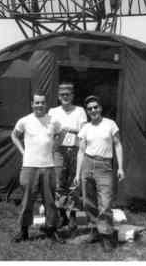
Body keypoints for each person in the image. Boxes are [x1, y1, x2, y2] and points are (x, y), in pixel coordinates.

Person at [11, 91, 64, 243]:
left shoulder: (53, 120)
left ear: (46, 104)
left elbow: (61, 134)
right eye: (37, 102)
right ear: (32, 104)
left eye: (42, 102)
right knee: (28, 200)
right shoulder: (24, 121)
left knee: (50, 201)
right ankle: (24, 231)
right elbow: (14, 135)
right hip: (29, 166)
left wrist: (54, 147)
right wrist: (22, 151)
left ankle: (51, 229)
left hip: (48, 166)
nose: (40, 105)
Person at [74, 95, 125, 252]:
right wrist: (77, 174)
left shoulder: (110, 124)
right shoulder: (86, 128)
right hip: (87, 164)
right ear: (88, 112)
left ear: (100, 108)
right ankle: (95, 232)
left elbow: (118, 145)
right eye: (90, 109)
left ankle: (107, 237)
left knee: (105, 203)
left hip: (104, 166)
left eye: (96, 107)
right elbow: (81, 151)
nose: (93, 110)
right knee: (89, 202)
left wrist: (120, 167)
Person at [48, 82, 87, 230]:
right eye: (63, 95)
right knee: (59, 183)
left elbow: (84, 132)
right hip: (59, 151)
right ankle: (62, 215)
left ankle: (73, 216)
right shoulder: (53, 111)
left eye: (68, 94)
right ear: (59, 96)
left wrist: (71, 129)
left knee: (74, 184)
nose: (65, 97)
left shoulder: (80, 111)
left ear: (72, 96)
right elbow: (50, 131)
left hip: (75, 150)